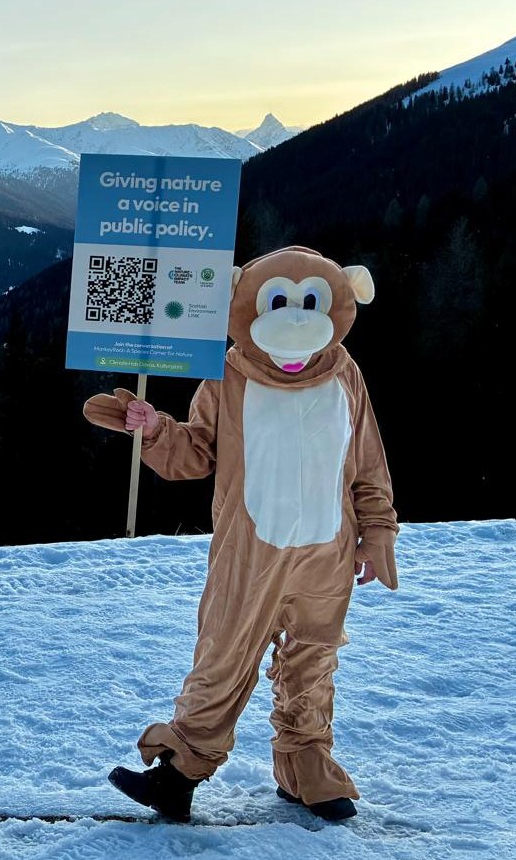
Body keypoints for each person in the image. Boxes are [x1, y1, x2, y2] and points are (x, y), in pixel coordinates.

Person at [82, 246, 398, 823]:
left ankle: (307, 766)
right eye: (279, 303)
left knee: (313, 660)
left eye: (311, 304)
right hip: (248, 551)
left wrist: (376, 533)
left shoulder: (345, 373)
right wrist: (154, 430)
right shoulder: (229, 374)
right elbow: (196, 452)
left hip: (327, 550)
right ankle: (181, 769)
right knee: (224, 654)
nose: (297, 320)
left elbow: (367, 462)